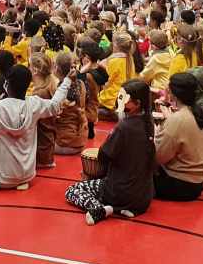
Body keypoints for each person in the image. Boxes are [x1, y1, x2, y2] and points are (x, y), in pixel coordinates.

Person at [0, 64, 73, 189]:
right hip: (26, 174)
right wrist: (67, 80)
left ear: (7, 84)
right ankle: (18, 182)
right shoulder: (35, 104)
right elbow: (55, 105)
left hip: (0, 178)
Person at [64, 80, 157, 225]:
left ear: (137, 104)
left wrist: (92, 175)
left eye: (123, 98)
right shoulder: (149, 122)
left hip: (119, 192)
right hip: (143, 197)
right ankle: (125, 209)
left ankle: (99, 208)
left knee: (73, 190)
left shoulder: (124, 127)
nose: (119, 101)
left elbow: (103, 156)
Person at [153, 72, 203, 201]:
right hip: (201, 181)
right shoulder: (200, 114)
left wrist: (158, 131)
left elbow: (158, 157)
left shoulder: (178, 119)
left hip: (181, 184)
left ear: (173, 94)